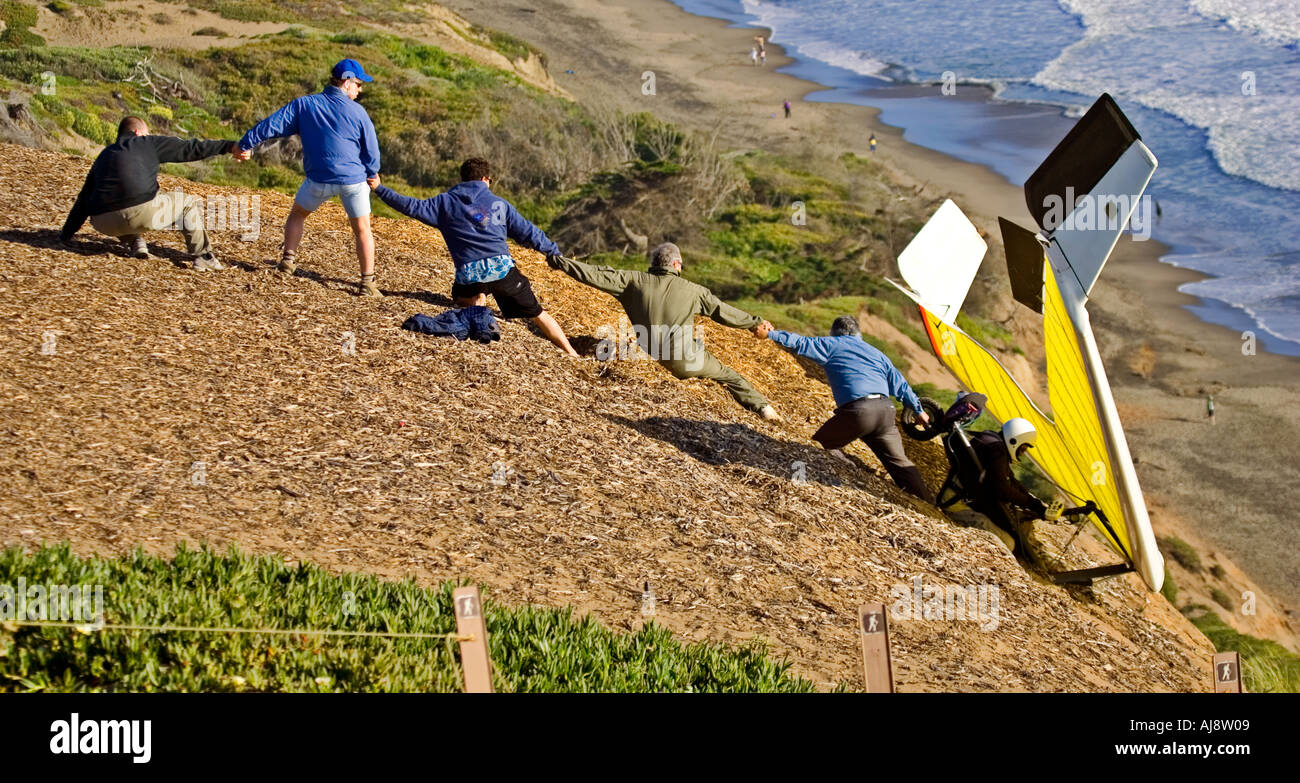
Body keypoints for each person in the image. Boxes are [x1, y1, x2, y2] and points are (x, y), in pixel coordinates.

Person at [548, 243, 781, 420]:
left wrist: (561, 262)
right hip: (685, 362)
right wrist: (755, 323)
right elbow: (724, 312)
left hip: (647, 356)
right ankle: (764, 409)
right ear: (677, 265)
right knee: (730, 376)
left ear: (655, 263)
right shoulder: (694, 290)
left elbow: (595, 274)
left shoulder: (633, 281)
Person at [370, 157, 579, 356]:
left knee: (459, 297)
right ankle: (571, 353)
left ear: (464, 178)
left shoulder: (445, 203)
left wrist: (380, 189)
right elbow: (529, 233)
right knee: (537, 314)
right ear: (485, 179)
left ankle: (478, 296)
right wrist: (553, 252)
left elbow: (411, 206)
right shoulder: (499, 204)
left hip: (469, 275)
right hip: (502, 271)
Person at [237, 58, 382, 297]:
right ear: (346, 82)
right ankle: (367, 283)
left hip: (318, 178)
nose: (360, 89)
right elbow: (372, 154)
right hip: (353, 180)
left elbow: (272, 125)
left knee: (297, 214)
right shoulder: (359, 113)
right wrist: (371, 173)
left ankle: (287, 262)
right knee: (362, 229)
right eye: (358, 83)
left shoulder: (305, 104)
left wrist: (246, 143)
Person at [760, 315, 932, 501]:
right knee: (900, 464)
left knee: (820, 443)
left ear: (834, 333)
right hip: (885, 411)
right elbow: (902, 386)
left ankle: (846, 467)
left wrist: (771, 334)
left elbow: (800, 342)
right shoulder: (878, 354)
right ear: (859, 334)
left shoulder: (832, 344)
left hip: (860, 411)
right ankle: (928, 504)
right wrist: (919, 410)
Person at [60, 116, 247, 270]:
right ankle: (203, 255)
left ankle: (135, 242)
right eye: (146, 133)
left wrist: (66, 234)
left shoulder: (104, 154)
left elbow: (83, 199)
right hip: (140, 214)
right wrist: (229, 146)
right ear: (138, 132)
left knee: (121, 204)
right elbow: (190, 149)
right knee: (186, 202)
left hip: (102, 222)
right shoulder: (146, 142)